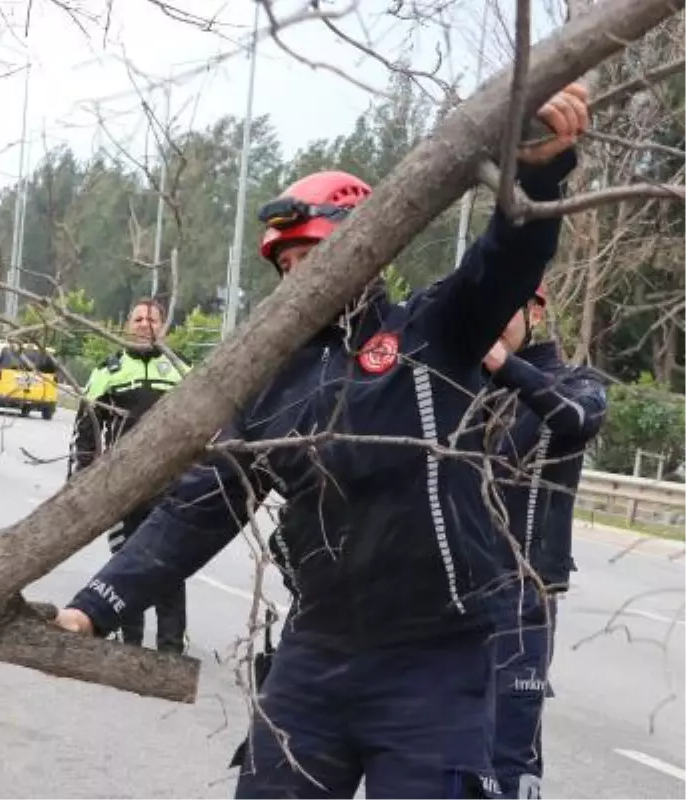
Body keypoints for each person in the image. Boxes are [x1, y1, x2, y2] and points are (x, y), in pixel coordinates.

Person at [54, 82, 590, 799]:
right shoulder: (272, 384)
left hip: (438, 661)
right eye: (287, 265)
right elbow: (197, 508)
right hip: (317, 656)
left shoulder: (437, 328)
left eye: (315, 255)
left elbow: (507, 258)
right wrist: (92, 606)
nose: (298, 277)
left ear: (370, 249)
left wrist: (539, 170)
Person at [482, 283, 608, 800]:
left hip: (521, 599)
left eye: (501, 309)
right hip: (446, 595)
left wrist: (501, 365)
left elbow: (578, 419)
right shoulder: (460, 386)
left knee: (507, 766)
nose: (489, 321)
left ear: (536, 311)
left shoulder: (573, 382)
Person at [69, 298, 189, 654]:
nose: (144, 324)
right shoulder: (108, 370)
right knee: (127, 564)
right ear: (126, 325)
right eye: (137, 318)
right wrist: (84, 477)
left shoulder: (182, 370)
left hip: (173, 486)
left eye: (152, 319)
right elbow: (85, 431)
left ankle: (170, 648)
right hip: (124, 489)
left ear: (163, 327)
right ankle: (130, 643)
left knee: (170, 566)